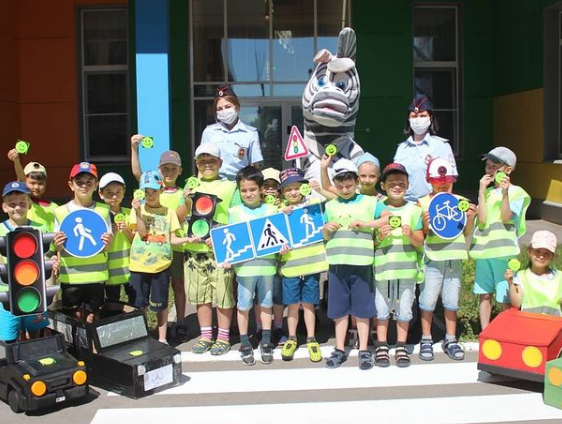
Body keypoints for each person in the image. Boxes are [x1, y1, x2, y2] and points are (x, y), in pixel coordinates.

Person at [177, 144, 238, 355]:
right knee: (200, 295)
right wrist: (186, 199)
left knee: (223, 294)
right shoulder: (189, 184)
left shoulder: (230, 187)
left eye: (212, 160)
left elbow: (236, 218)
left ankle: (223, 337)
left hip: (220, 250)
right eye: (202, 161)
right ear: (196, 163)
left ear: (220, 162)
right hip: (194, 249)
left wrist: (220, 237)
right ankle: (205, 336)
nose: (207, 164)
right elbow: (179, 216)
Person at [417, 158, 477, 361]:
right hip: (432, 259)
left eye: (447, 181)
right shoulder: (422, 203)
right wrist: (425, 225)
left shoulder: (460, 201)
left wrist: (470, 218)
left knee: (451, 301)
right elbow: (420, 234)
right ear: (429, 180)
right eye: (437, 181)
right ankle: (426, 338)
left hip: (454, 258)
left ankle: (451, 339)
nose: (442, 185)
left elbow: (465, 232)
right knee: (428, 300)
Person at [322, 159, 378, 370]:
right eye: (340, 186)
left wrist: (366, 224)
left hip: (362, 264)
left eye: (349, 185)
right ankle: (339, 348)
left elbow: (387, 218)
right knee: (339, 310)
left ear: (356, 182)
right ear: (335, 185)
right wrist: (326, 228)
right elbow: (323, 235)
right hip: (337, 264)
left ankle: (364, 349)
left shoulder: (370, 202)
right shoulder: (330, 206)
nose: (345, 190)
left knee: (363, 309)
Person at [129, 171, 198, 343]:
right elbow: (142, 234)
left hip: (161, 266)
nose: (150, 195)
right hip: (139, 265)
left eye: (153, 191)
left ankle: (162, 338)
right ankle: (143, 337)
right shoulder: (137, 210)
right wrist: (138, 212)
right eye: (146, 192)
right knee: (139, 303)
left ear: (161, 190)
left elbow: (172, 239)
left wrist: (188, 239)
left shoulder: (169, 212)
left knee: (161, 303)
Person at [469, 147, 531, 330]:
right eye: (488, 166)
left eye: (494, 166)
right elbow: (481, 221)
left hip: (503, 253)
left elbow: (506, 217)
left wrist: (504, 193)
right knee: (484, 294)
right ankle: (486, 331)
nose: (489, 170)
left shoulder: (517, 192)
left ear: (508, 170)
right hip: (483, 252)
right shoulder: (487, 193)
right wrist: (481, 192)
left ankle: (507, 331)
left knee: (505, 296)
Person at [131, 139, 188, 333]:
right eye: (165, 168)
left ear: (180, 171)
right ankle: (151, 329)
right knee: (155, 290)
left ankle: (181, 323)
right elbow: (137, 173)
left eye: (174, 168)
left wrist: (187, 201)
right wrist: (134, 148)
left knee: (178, 285)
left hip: (175, 245)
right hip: (151, 250)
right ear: (159, 169)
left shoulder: (183, 193)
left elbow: (179, 218)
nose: (169, 172)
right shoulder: (152, 187)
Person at [372, 163, 424, 368]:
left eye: (401, 183)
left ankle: (401, 345)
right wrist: (379, 236)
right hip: (383, 269)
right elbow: (370, 242)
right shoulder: (376, 209)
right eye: (392, 182)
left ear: (408, 185)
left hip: (407, 269)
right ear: (383, 186)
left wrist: (411, 235)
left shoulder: (414, 210)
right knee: (381, 308)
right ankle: (382, 345)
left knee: (405, 308)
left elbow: (420, 242)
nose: (396, 186)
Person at [53, 162, 113, 323]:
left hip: (96, 276)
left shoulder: (103, 210)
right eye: (79, 182)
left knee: (93, 318)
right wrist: (58, 244)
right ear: (71, 185)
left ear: (96, 185)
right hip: (71, 277)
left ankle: (92, 341)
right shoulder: (61, 212)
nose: (84, 186)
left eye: (89, 182)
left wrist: (108, 242)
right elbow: (58, 246)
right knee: (74, 318)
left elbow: (107, 246)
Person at [228, 166, 277, 365]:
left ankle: (266, 340)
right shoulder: (234, 212)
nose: (248, 194)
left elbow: (279, 236)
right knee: (244, 305)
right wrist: (226, 256)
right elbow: (229, 240)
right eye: (244, 190)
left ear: (261, 189)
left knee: (266, 304)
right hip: (244, 268)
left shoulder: (272, 210)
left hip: (267, 266)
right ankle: (244, 342)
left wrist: (283, 246)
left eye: (252, 189)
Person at [278, 168, 327, 363]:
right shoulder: (279, 211)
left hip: (312, 265)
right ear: (282, 192)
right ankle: (291, 337)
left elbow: (326, 202)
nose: (293, 192)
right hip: (290, 266)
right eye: (288, 189)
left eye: (297, 187)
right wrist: (281, 214)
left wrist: (316, 189)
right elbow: (273, 237)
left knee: (309, 304)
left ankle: (311, 338)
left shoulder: (313, 204)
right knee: (292, 305)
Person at [0, 181, 51, 342]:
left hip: (34, 293)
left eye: (22, 203)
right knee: (9, 339)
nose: (17, 207)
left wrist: (53, 261)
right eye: (12, 204)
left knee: (36, 336)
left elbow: (47, 256)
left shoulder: (40, 228)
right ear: (4, 207)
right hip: (7, 296)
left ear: (29, 205)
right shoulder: (0, 230)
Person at [393, 94, 457, 202]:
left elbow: (449, 180)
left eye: (422, 116)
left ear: (430, 118)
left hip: (430, 203)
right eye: (414, 116)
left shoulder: (441, 146)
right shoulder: (402, 148)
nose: (418, 120)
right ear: (409, 119)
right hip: (404, 204)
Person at [200, 86, 263, 181]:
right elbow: (202, 162)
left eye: (228, 107)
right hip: (215, 183)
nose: (224, 111)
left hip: (239, 184)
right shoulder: (209, 132)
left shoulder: (250, 133)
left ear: (237, 108)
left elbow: (255, 166)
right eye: (219, 109)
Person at [257, 167, 286, 345]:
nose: (269, 189)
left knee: (277, 294)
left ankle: (278, 327)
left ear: (279, 189)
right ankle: (260, 327)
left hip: (279, 259)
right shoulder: (257, 207)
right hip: (260, 259)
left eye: (273, 186)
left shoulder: (284, 205)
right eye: (265, 185)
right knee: (260, 296)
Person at [98, 172, 135, 303]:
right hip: (109, 271)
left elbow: (137, 240)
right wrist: (112, 231)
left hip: (131, 269)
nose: (114, 196)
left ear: (124, 192)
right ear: (101, 194)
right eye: (109, 193)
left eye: (118, 192)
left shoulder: (130, 213)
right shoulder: (99, 217)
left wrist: (126, 231)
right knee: (112, 304)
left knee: (136, 302)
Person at [506, 230, 561, 315]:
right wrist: (511, 283)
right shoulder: (522, 276)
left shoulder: (559, 277)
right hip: (528, 322)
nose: (541, 256)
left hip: (553, 322)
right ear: (529, 251)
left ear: (552, 257)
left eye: (547, 253)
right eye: (537, 251)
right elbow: (517, 303)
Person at [7, 148, 58, 232]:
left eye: (40, 183)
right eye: (32, 183)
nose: (36, 187)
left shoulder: (55, 207)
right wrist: (17, 162)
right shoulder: (27, 202)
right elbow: (22, 179)